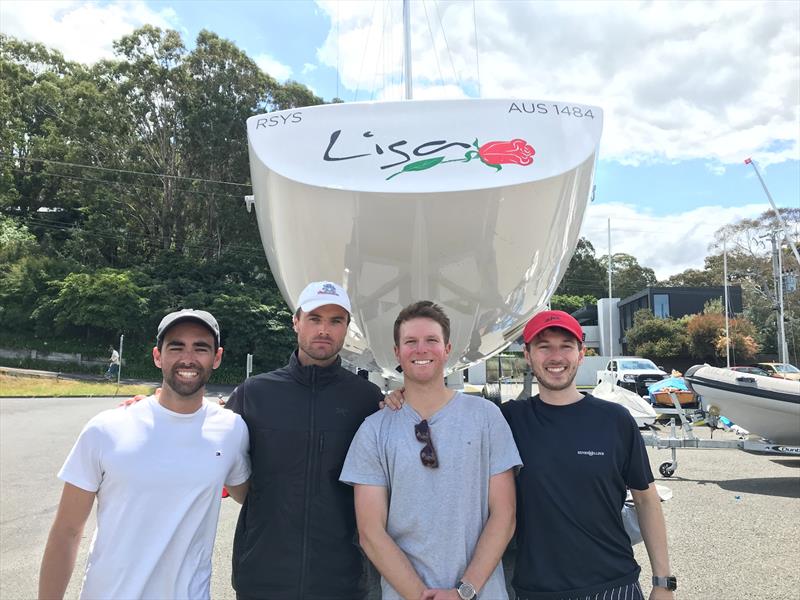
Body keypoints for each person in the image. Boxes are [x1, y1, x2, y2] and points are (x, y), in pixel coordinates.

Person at [39, 309, 251, 600]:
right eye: (176, 347)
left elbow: (251, 496)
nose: (187, 358)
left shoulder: (232, 430)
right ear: (157, 356)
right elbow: (67, 532)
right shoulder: (106, 429)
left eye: (200, 348)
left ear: (217, 358)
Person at [340, 301, 521, 600]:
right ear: (397, 352)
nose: (421, 349)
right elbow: (371, 532)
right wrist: (422, 595)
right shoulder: (374, 430)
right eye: (410, 341)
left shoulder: (486, 417)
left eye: (431, 340)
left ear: (447, 348)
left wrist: (464, 591)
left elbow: (505, 513)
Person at [225, 281, 384, 600]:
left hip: (341, 580)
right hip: (261, 576)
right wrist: (157, 404)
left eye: (336, 321)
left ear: (347, 329)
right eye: (314, 318)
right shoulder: (254, 394)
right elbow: (203, 441)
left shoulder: (367, 400)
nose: (324, 329)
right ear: (296, 321)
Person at [500, 310, 675, 600]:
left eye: (566, 346)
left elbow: (646, 500)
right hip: (537, 590)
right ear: (528, 356)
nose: (556, 357)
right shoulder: (508, 419)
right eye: (544, 347)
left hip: (614, 585)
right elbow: (449, 416)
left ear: (581, 353)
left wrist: (663, 583)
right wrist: (402, 395)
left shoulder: (615, 420)